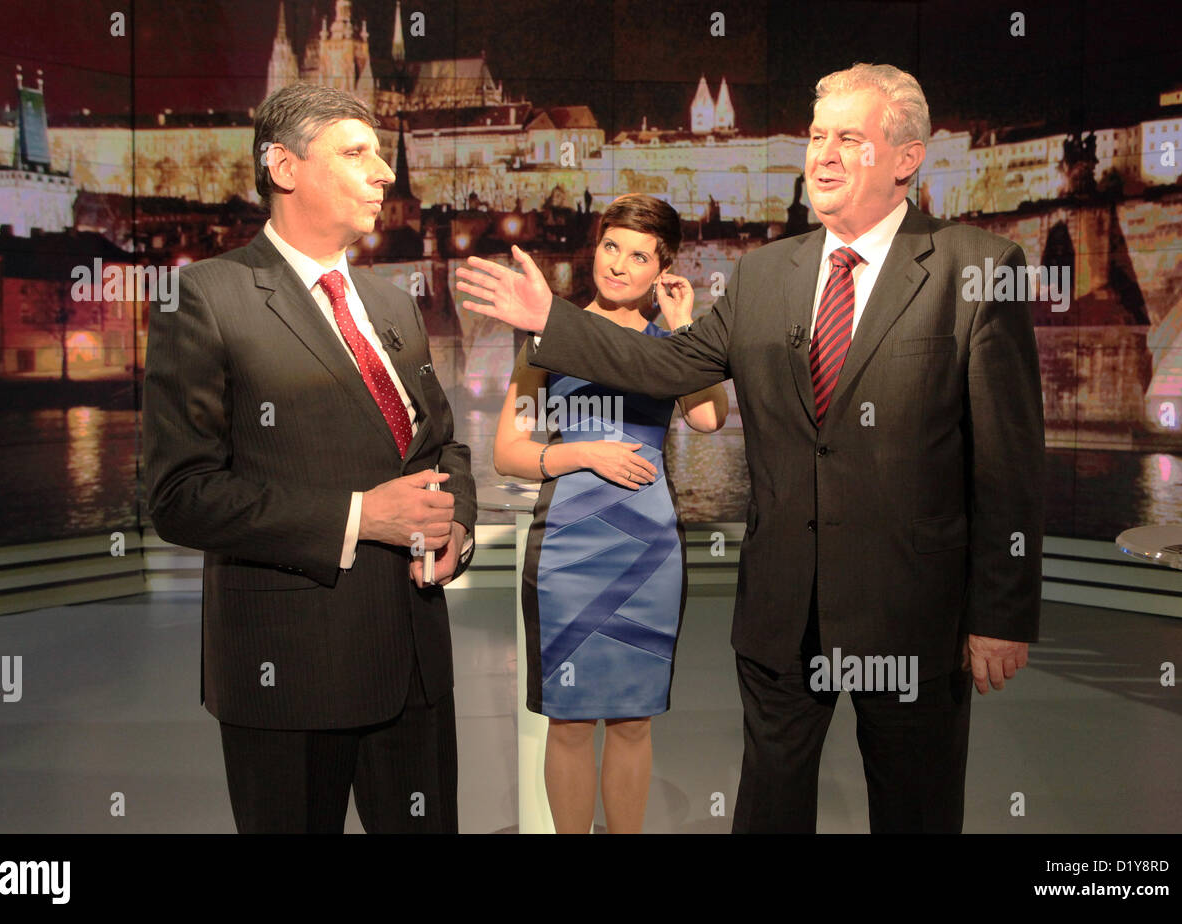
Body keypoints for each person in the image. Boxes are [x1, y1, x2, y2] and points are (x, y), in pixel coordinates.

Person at [457, 63, 1045, 833]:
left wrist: (1002, 614)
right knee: (768, 810)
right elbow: (665, 367)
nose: (823, 154)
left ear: (906, 157)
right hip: (780, 615)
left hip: (911, 618)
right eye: (816, 135)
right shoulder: (765, 273)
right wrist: (553, 321)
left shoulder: (977, 268)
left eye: (849, 138)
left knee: (916, 810)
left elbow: (1008, 461)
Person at [144, 83, 476, 834]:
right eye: (357, 154)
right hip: (288, 672)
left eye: (382, 156)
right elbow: (179, 494)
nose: (384, 174)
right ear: (284, 167)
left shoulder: (392, 304)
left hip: (415, 661)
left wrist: (458, 524)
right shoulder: (205, 297)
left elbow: (443, 442)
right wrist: (362, 517)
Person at [492, 194, 727, 834]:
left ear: (663, 268)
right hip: (567, 549)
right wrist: (582, 453)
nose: (619, 264)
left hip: (649, 552)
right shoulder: (552, 334)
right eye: (611, 246)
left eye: (639, 255)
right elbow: (508, 452)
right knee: (567, 722)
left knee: (632, 719)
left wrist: (684, 327)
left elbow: (707, 418)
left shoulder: (667, 343)